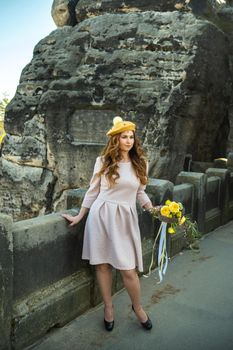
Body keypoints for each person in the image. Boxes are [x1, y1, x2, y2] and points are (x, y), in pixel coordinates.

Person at [62, 116, 154, 331]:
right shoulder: (103, 161)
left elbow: (140, 192)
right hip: (101, 216)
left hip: (125, 220)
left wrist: (152, 209)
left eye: (131, 137)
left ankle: (138, 307)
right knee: (102, 265)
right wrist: (80, 216)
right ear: (116, 140)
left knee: (128, 270)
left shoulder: (141, 163)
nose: (129, 141)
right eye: (124, 137)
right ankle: (108, 307)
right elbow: (92, 191)